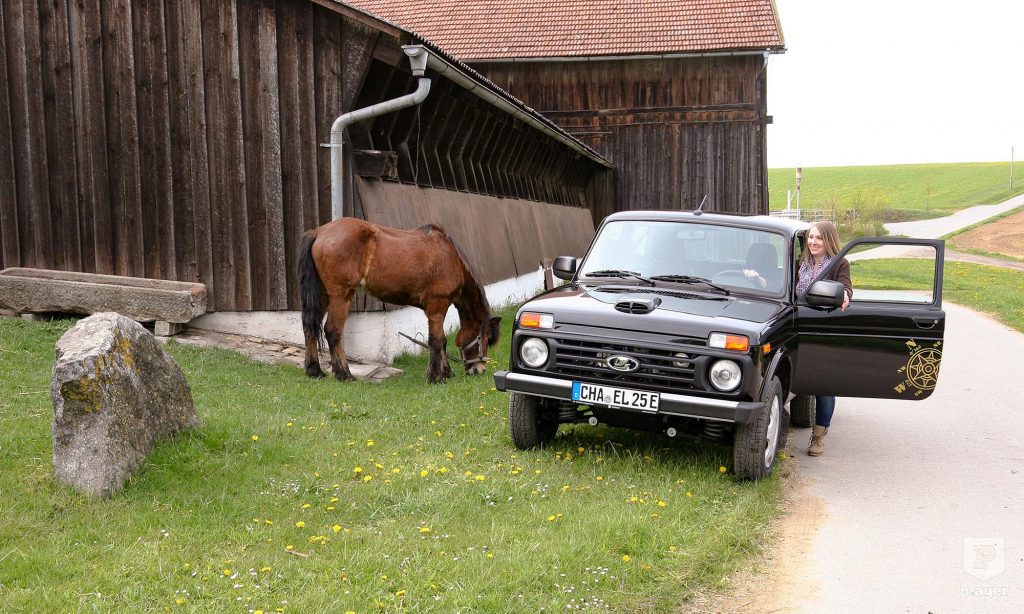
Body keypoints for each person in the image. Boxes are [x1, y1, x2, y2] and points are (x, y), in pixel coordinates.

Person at [796, 221, 852, 457]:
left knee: (824, 384)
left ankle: (818, 435)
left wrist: (844, 295)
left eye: (818, 238)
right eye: (810, 237)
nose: (813, 242)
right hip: (798, 326)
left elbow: (846, 288)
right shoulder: (800, 262)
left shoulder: (840, 263)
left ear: (828, 240)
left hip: (824, 327)